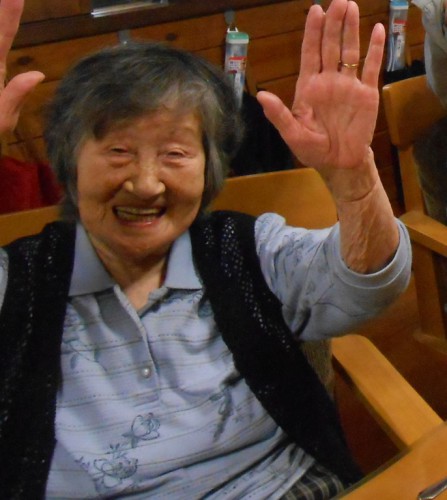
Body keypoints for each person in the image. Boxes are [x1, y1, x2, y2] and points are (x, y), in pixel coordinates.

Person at [0, 0, 411, 498]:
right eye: (118, 152)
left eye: (175, 153)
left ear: (209, 169)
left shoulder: (245, 250)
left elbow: (367, 284)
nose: (146, 184)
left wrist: (353, 179)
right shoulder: (18, 280)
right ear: (69, 164)